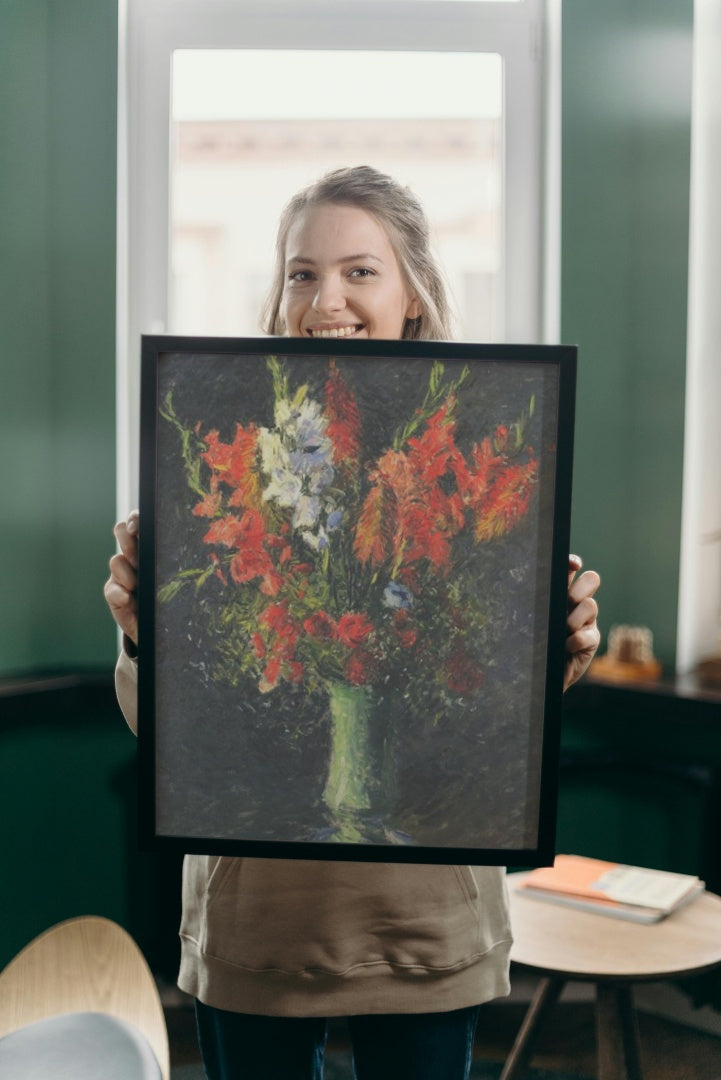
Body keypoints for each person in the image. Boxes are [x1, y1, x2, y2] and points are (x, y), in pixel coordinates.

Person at [105, 166, 601, 1080]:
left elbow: (490, 715)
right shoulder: (233, 449)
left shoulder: (476, 441)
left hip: (423, 922)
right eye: (301, 272)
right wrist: (143, 637)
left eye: (358, 271)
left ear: (412, 292)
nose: (324, 298)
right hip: (258, 923)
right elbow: (173, 729)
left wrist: (557, 649)